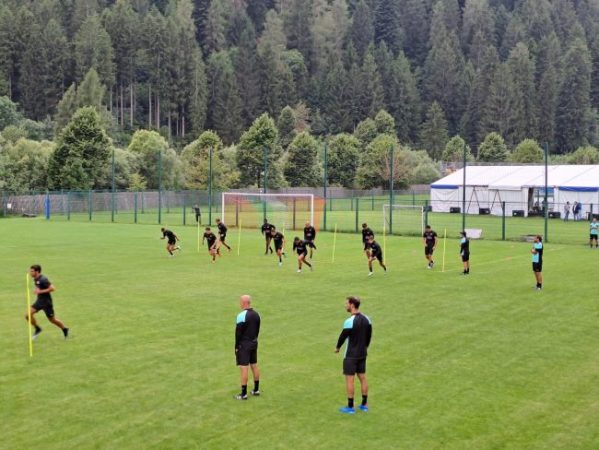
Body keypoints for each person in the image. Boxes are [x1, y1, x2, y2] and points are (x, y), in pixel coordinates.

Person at [335, 296, 372, 414]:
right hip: (362, 353)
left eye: (346, 303)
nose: (345, 305)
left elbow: (343, 336)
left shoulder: (349, 321)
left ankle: (350, 407)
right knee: (363, 377)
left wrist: (337, 348)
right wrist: (365, 346)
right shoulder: (367, 319)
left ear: (352, 305)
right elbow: (369, 335)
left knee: (350, 380)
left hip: (351, 355)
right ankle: (364, 404)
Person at [25, 265, 69, 340]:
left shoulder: (43, 279)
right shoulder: (36, 279)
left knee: (52, 320)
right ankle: (37, 329)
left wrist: (40, 291)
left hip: (46, 303)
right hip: (39, 301)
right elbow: (39, 286)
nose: (30, 273)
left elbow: (52, 288)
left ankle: (64, 329)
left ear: (37, 271)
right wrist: (37, 289)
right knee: (27, 315)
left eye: (32, 271)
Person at [234, 295, 261, 400]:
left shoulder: (241, 315)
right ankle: (256, 390)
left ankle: (244, 394)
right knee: (254, 365)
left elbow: (238, 333)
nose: (239, 303)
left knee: (244, 367)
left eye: (240, 301)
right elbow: (257, 329)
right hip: (254, 343)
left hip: (244, 345)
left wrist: (236, 346)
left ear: (244, 302)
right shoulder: (257, 314)